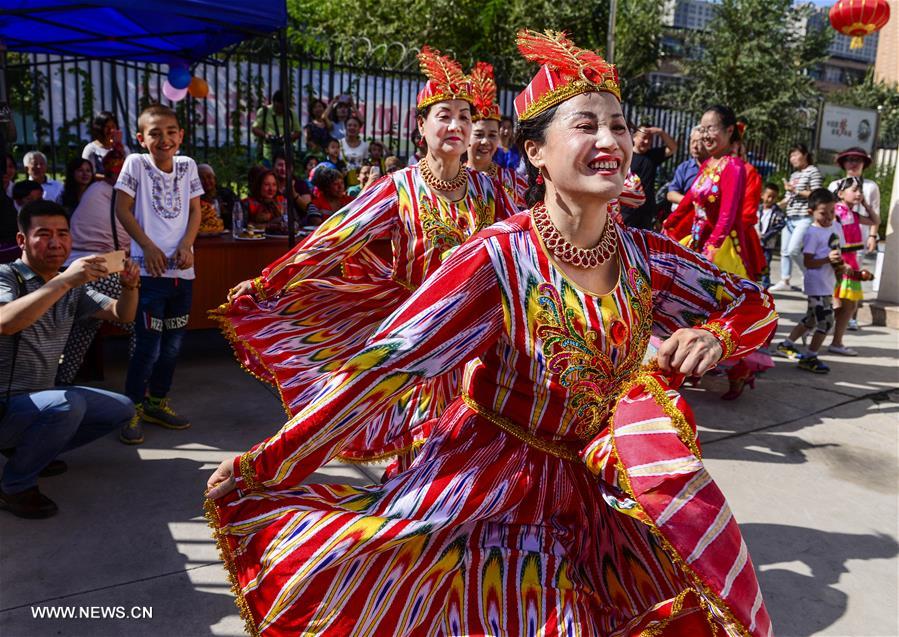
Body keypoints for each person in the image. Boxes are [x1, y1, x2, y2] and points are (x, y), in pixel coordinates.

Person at [206, 30, 775, 636]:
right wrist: (267, 464)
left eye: (620, 126)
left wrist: (717, 335)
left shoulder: (647, 257)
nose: (610, 141)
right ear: (536, 152)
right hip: (500, 480)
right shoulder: (499, 258)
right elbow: (383, 369)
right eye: (586, 125)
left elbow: (751, 302)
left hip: (601, 487)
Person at [214, 46, 516, 468]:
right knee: (420, 441)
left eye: (465, 116)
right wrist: (271, 281)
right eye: (444, 115)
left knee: (467, 443)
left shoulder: (490, 191)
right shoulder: (400, 188)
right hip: (413, 332)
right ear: (421, 125)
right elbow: (334, 238)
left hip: (472, 337)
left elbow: (521, 248)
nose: (456, 125)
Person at [0, 200, 139, 518]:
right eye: (44, 234)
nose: (55, 242)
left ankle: (29, 452)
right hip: (5, 403)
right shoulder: (7, 276)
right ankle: (14, 485)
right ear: (22, 240)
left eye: (63, 234)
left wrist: (131, 287)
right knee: (68, 405)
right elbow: (5, 322)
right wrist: (63, 281)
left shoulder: (72, 287)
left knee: (121, 409)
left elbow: (123, 315)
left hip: (35, 402)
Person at [114, 104, 203, 445]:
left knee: (173, 345)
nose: (164, 139)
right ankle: (131, 408)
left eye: (170, 132)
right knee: (147, 346)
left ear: (180, 135)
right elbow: (122, 209)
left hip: (183, 273)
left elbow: (196, 211)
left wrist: (187, 244)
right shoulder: (135, 163)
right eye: (155, 133)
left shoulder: (188, 165)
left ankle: (156, 402)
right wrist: (148, 247)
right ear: (141, 138)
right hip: (148, 274)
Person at [58, 150, 134, 385]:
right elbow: (126, 243)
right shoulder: (117, 195)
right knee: (142, 323)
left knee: (86, 324)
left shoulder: (94, 189)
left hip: (72, 270)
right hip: (101, 269)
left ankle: (63, 380)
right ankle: (140, 383)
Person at [663, 105, 751, 278]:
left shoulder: (734, 167)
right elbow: (688, 202)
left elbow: (727, 216)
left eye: (710, 128)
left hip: (721, 248)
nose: (705, 135)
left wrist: (711, 249)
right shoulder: (708, 164)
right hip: (698, 241)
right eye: (702, 129)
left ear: (729, 130)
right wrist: (668, 225)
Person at [776, 189, 843, 373]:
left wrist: (841, 264)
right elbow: (808, 262)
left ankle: (787, 344)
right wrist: (827, 259)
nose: (829, 216)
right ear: (811, 212)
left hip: (828, 283)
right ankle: (810, 356)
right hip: (816, 285)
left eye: (832, 211)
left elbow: (840, 249)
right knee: (826, 323)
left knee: (811, 319)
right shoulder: (812, 233)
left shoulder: (835, 226)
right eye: (823, 212)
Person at [827, 176, 879, 356]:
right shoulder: (837, 213)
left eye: (860, 191)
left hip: (851, 264)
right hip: (841, 264)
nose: (859, 194)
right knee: (840, 304)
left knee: (848, 305)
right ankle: (821, 336)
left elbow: (875, 221)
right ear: (841, 193)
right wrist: (840, 262)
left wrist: (865, 204)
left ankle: (835, 340)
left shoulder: (853, 214)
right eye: (854, 190)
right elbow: (833, 239)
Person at [465, 62, 528, 208]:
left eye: (492, 135)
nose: (486, 141)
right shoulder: (454, 179)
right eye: (479, 134)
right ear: (466, 135)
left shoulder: (512, 180)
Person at [769, 143, 822, 291]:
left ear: (805, 155)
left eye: (795, 154)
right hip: (790, 216)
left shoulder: (813, 172)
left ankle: (809, 275)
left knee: (794, 249)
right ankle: (785, 280)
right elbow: (789, 197)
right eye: (790, 156)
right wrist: (776, 205)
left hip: (805, 216)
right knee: (785, 251)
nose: (792, 159)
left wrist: (796, 190)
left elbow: (817, 194)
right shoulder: (794, 175)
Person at [622, 122, 676, 229]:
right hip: (626, 210)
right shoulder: (625, 155)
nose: (647, 141)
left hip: (646, 212)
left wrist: (660, 132)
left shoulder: (652, 156)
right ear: (634, 137)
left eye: (650, 139)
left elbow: (673, 148)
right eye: (644, 138)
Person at [251, 90, 301, 165]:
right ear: (273, 102)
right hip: (267, 151)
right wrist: (266, 135)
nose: (279, 110)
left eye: (282, 108)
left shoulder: (291, 114)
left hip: (286, 152)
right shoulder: (264, 111)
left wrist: (287, 138)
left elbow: (298, 132)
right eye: (277, 107)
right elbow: (255, 128)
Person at [665, 126, 706, 209]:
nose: (694, 146)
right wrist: (692, 202)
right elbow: (671, 194)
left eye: (699, 142)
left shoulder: (716, 167)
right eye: (692, 141)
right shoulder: (684, 168)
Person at [81, 111, 129, 176]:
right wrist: (107, 179)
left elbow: (130, 170)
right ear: (99, 128)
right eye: (107, 127)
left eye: (113, 126)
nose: (111, 130)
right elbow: (88, 174)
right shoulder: (90, 149)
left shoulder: (124, 149)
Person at [757, 182, 786, 289]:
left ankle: (765, 286)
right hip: (756, 243)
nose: (770, 199)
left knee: (765, 265)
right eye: (769, 196)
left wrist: (766, 236)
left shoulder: (777, 212)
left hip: (767, 244)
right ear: (762, 195)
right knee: (754, 263)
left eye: (773, 197)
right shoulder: (757, 209)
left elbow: (780, 224)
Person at [243, 169, 287, 233]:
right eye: (266, 184)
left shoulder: (282, 201)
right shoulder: (247, 203)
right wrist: (269, 226)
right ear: (259, 186)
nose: (271, 189)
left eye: (274, 185)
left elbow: (295, 222)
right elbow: (242, 226)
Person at [197, 163, 239, 231]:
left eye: (209, 177)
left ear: (215, 178)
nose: (206, 181)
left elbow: (238, 216)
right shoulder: (193, 198)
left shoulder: (227, 194)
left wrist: (225, 211)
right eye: (201, 178)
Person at [271, 152, 311, 219]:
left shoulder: (300, 185)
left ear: (292, 168)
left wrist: (294, 193)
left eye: (287, 165)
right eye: (280, 165)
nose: (283, 168)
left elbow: (308, 208)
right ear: (273, 166)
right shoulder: (268, 185)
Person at [340, 115, 369, 185]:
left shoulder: (365, 145)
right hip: (343, 180)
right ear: (346, 128)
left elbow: (366, 163)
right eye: (349, 125)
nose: (352, 127)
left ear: (359, 129)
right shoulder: (339, 143)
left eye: (355, 126)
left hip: (359, 181)